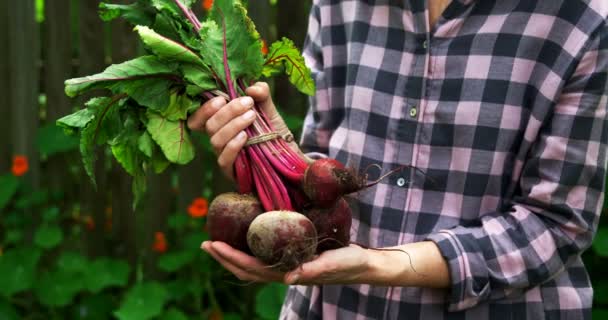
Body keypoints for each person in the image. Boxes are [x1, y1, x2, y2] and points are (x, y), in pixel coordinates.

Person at [188, 0, 608, 318]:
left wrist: (378, 264)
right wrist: (264, 145)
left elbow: (556, 224)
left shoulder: (581, 20)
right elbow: (320, 161)